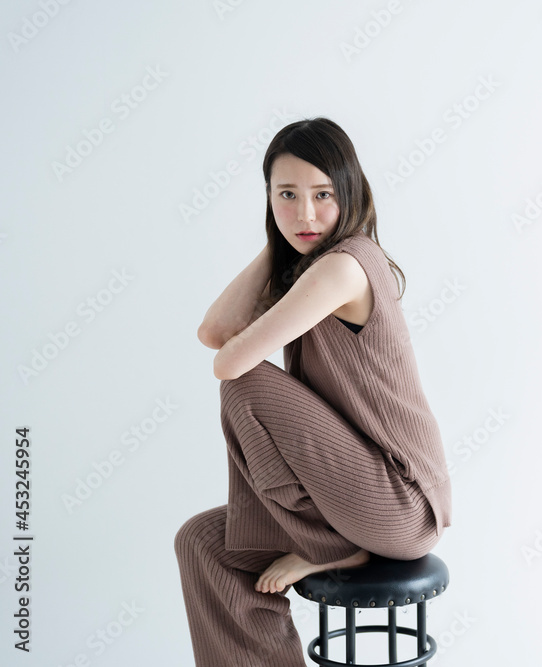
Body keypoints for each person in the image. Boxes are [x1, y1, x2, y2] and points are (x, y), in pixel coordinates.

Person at [173, 117, 452, 666]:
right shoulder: (311, 264)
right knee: (202, 543)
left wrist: (292, 240)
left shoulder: (342, 268)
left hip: (401, 502)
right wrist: (280, 243)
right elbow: (213, 330)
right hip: (349, 496)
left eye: (323, 195)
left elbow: (229, 362)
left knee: (245, 382)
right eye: (287, 195)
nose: (305, 213)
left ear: (350, 193)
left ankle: (336, 551)